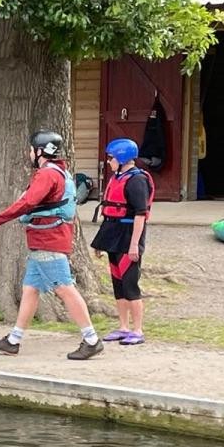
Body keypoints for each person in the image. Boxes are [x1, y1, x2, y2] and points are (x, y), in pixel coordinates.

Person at [0, 129, 104, 361]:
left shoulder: (47, 175)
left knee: (64, 288)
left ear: (39, 152)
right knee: (30, 289)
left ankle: (91, 340)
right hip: (45, 240)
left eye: (31, 149)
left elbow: (27, 203)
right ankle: (13, 341)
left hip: (48, 241)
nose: (29, 153)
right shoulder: (60, 172)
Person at [92, 137, 154, 346]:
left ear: (121, 158)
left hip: (128, 237)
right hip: (113, 235)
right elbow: (110, 214)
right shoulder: (117, 177)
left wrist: (135, 245)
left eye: (111, 158)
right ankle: (123, 327)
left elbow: (140, 214)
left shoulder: (137, 180)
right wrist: (100, 243)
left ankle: (137, 330)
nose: (109, 162)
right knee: (118, 285)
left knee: (130, 284)